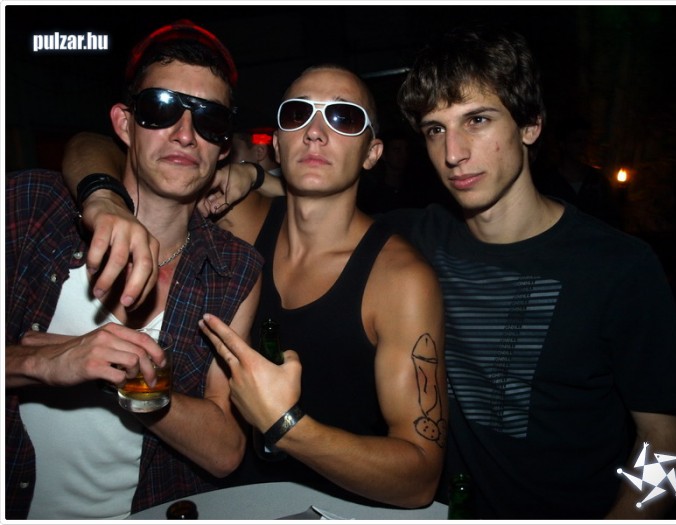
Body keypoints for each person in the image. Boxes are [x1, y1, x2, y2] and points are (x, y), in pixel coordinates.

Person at [59, 63, 447, 508]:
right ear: (277, 144)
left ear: (372, 152)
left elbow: (420, 477)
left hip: (343, 512)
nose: (315, 132)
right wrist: (103, 197)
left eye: (343, 117)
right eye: (298, 114)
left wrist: (287, 425)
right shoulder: (237, 221)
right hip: (230, 504)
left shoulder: (400, 280)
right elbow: (93, 144)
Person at [378, 25, 676, 519]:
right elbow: (317, 214)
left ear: (530, 125)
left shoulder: (618, 266)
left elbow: (668, 445)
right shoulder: (417, 237)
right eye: (435, 129)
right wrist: (254, 175)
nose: (453, 153)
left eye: (477, 120)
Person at [4, 20, 262, 519]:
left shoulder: (233, 268)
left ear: (222, 149)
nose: (185, 134)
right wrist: (39, 364)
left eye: (208, 120)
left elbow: (227, 450)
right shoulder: (31, 206)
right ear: (124, 124)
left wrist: (125, 380)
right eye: (160, 108)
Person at [534, 116, 621, 228]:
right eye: (577, 141)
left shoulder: (598, 182)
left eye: (587, 141)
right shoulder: (545, 182)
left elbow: (611, 219)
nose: (583, 146)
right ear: (563, 144)